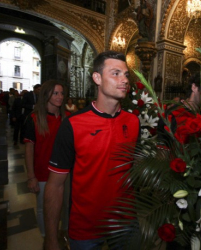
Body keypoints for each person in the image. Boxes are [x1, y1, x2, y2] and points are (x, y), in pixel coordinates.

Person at [44, 51, 140, 250]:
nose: (124, 80)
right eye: (115, 73)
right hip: (86, 227)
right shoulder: (73, 124)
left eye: (126, 75)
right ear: (97, 78)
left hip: (125, 222)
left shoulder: (133, 122)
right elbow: (55, 186)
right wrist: (52, 238)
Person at [24, 80, 69, 238]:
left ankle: (62, 237)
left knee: (65, 207)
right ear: (46, 95)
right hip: (43, 172)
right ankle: (47, 239)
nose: (60, 96)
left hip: (65, 172)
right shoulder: (35, 119)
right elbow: (29, 149)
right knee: (44, 207)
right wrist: (31, 177)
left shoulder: (67, 118)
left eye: (62, 93)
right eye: (55, 93)